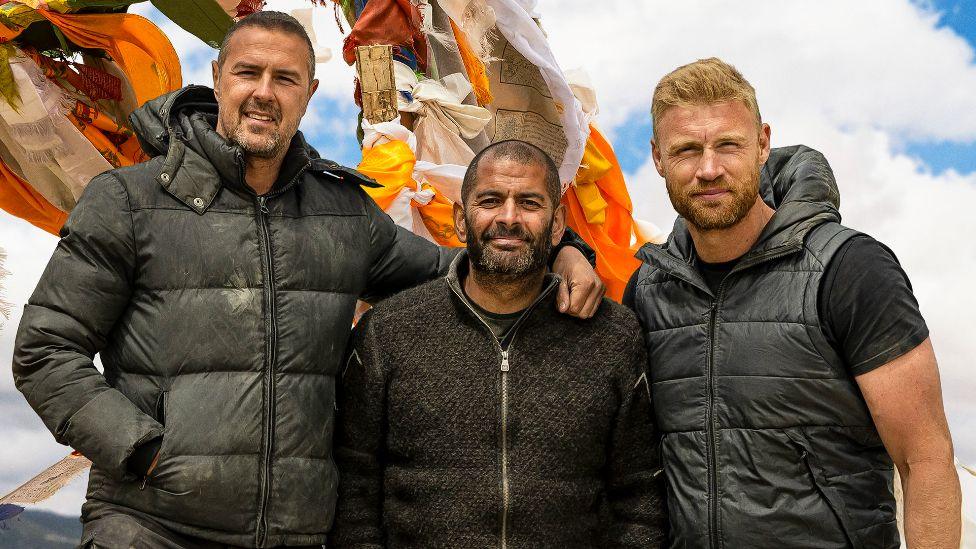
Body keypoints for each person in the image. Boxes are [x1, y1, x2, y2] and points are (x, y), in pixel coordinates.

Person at [11, 12, 604, 549]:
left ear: (309, 93)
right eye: (248, 73)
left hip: (295, 532)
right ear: (218, 78)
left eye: (286, 79)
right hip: (149, 527)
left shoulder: (343, 215)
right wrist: (142, 451)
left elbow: (462, 271)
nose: (264, 93)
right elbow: (45, 349)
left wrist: (565, 251)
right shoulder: (130, 201)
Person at [623, 57, 961, 548]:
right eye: (687, 150)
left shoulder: (850, 270)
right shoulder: (649, 291)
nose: (709, 168)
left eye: (728, 145)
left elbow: (925, 459)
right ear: (657, 157)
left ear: (762, 143)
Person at [331, 139, 667, 548]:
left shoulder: (612, 336)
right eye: (490, 201)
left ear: (558, 223)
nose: (508, 218)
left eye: (529, 203)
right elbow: (355, 492)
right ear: (460, 219)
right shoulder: (388, 334)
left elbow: (639, 499)